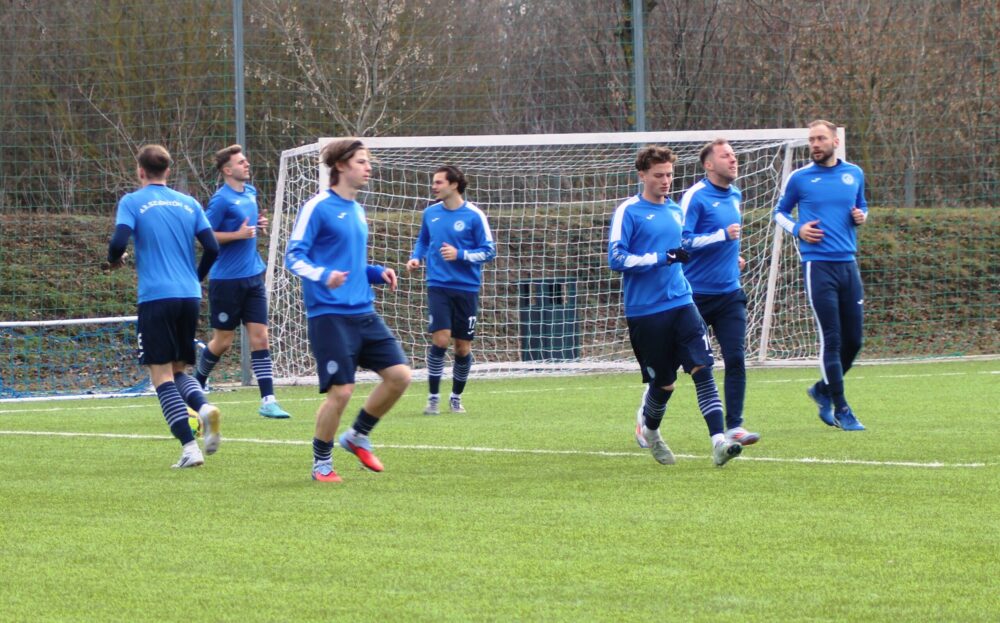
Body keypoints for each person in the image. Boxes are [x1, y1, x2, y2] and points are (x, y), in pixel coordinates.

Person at [285, 138, 412, 482]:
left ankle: (357, 435)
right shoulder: (317, 207)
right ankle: (321, 463)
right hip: (329, 315)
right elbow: (293, 257)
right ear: (340, 165)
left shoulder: (357, 209)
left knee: (400, 376)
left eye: (368, 162)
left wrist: (375, 272)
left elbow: (350, 263)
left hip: (363, 312)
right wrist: (323, 275)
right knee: (341, 391)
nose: (368, 168)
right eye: (361, 161)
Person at [609, 144, 744, 468]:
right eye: (659, 175)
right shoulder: (629, 211)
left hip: (682, 301)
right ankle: (651, 430)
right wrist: (660, 258)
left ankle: (719, 441)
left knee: (702, 367)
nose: (666, 181)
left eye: (669, 175)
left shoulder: (675, 210)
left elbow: (685, 248)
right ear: (642, 175)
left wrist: (730, 259)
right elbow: (617, 258)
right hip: (646, 311)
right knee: (664, 384)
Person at [107, 144, 222, 468]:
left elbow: (118, 242)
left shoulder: (132, 201)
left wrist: (115, 259)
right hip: (189, 296)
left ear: (140, 171)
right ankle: (204, 407)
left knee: (160, 376)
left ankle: (190, 448)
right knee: (178, 369)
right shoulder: (189, 203)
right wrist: (194, 278)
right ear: (168, 171)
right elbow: (212, 247)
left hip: (156, 297)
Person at [660, 138, 761, 447]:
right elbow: (682, 242)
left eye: (733, 154)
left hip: (730, 293)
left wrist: (734, 257)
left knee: (736, 357)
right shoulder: (696, 196)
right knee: (671, 364)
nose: (733, 159)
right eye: (725, 155)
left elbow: (727, 241)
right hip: (695, 296)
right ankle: (648, 416)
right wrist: (721, 236)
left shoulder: (736, 195)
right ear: (708, 164)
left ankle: (735, 427)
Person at [773, 119, 868, 431]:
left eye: (820, 139)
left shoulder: (854, 173)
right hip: (818, 265)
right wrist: (798, 229)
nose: (815, 144)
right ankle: (842, 408)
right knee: (832, 338)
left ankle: (822, 390)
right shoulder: (800, 178)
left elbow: (862, 207)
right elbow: (779, 213)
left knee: (854, 340)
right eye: (811, 139)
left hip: (848, 264)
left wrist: (861, 216)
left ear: (835, 142)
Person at [194, 144, 291, 419]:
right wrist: (237, 235)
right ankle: (196, 384)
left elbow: (247, 224)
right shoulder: (220, 200)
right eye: (241, 162)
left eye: (246, 161)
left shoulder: (250, 192)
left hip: (253, 277)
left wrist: (258, 224)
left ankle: (268, 401)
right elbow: (204, 235)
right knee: (223, 341)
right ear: (227, 170)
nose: (247, 164)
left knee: (261, 338)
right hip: (226, 281)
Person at [406, 165, 496, 415]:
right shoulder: (430, 213)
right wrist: (416, 257)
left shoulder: (474, 215)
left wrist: (460, 254)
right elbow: (424, 240)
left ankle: (456, 397)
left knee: (462, 347)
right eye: (433, 182)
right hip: (438, 285)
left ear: (454, 185)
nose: (433, 186)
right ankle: (433, 397)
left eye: (438, 182)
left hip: (466, 288)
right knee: (441, 339)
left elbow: (489, 251)